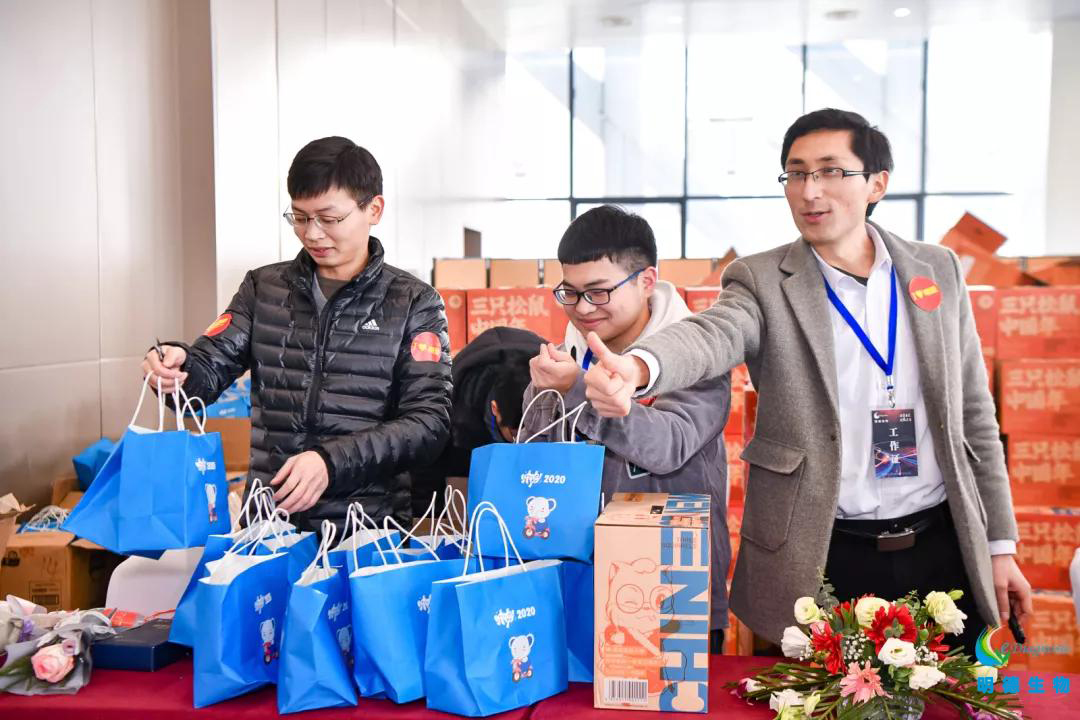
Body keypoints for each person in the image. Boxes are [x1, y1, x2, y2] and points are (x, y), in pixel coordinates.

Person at [581, 109, 1032, 655]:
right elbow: (713, 334)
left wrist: (999, 545)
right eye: (796, 173)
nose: (809, 191)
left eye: (830, 171)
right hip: (822, 554)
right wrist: (638, 367)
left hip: (940, 545)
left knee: (946, 694)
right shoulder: (762, 280)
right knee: (816, 696)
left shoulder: (936, 270)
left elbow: (975, 416)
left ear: (876, 183)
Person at [141, 136, 452, 534]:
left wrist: (329, 462)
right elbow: (206, 374)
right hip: (270, 527)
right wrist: (176, 370)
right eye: (300, 218)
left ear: (373, 209)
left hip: (366, 533)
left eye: (329, 218)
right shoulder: (264, 289)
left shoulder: (413, 303)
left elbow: (429, 422)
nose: (313, 234)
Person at [520, 205, 731, 652]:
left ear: (646, 281)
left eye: (598, 292)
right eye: (570, 292)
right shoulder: (566, 356)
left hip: (670, 584)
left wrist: (577, 390)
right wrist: (541, 394)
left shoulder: (696, 356)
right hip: (573, 578)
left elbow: (668, 445)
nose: (582, 308)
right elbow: (534, 460)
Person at [411, 325, 543, 516]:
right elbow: (428, 471)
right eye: (514, 433)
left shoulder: (553, 389)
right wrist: (427, 521)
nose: (521, 439)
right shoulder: (453, 405)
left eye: (528, 430)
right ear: (495, 409)